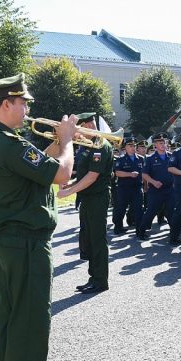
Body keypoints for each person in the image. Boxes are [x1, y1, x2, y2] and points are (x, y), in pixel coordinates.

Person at [0, 73, 76, 361]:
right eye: (23, 102)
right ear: (7, 104)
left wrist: (55, 147)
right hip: (27, 243)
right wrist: (68, 141)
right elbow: (62, 174)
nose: (28, 108)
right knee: (30, 322)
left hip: (11, 241)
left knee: (9, 321)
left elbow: (37, 169)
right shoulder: (6, 142)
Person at [58, 112, 114, 294]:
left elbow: (92, 177)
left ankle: (100, 281)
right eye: (87, 124)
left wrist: (68, 191)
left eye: (91, 124)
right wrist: (71, 184)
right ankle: (93, 277)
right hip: (88, 198)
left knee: (97, 239)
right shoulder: (85, 146)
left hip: (97, 198)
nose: (90, 127)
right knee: (88, 238)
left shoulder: (99, 145)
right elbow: (83, 175)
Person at [138, 132, 175, 240]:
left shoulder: (172, 156)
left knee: (171, 212)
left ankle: (174, 234)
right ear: (155, 145)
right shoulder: (150, 158)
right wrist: (153, 182)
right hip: (155, 190)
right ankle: (141, 231)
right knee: (151, 212)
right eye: (160, 143)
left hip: (169, 189)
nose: (163, 144)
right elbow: (144, 174)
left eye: (164, 142)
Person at [112, 136, 144, 236]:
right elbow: (117, 173)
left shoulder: (141, 159)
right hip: (124, 188)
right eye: (130, 145)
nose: (133, 147)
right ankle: (118, 227)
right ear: (125, 147)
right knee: (120, 209)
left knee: (139, 209)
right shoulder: (120, 159)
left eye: (134, 145)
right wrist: (130, 174)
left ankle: (140, 231)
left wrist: (146, 185)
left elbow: (145, 173)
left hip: (137, 187)